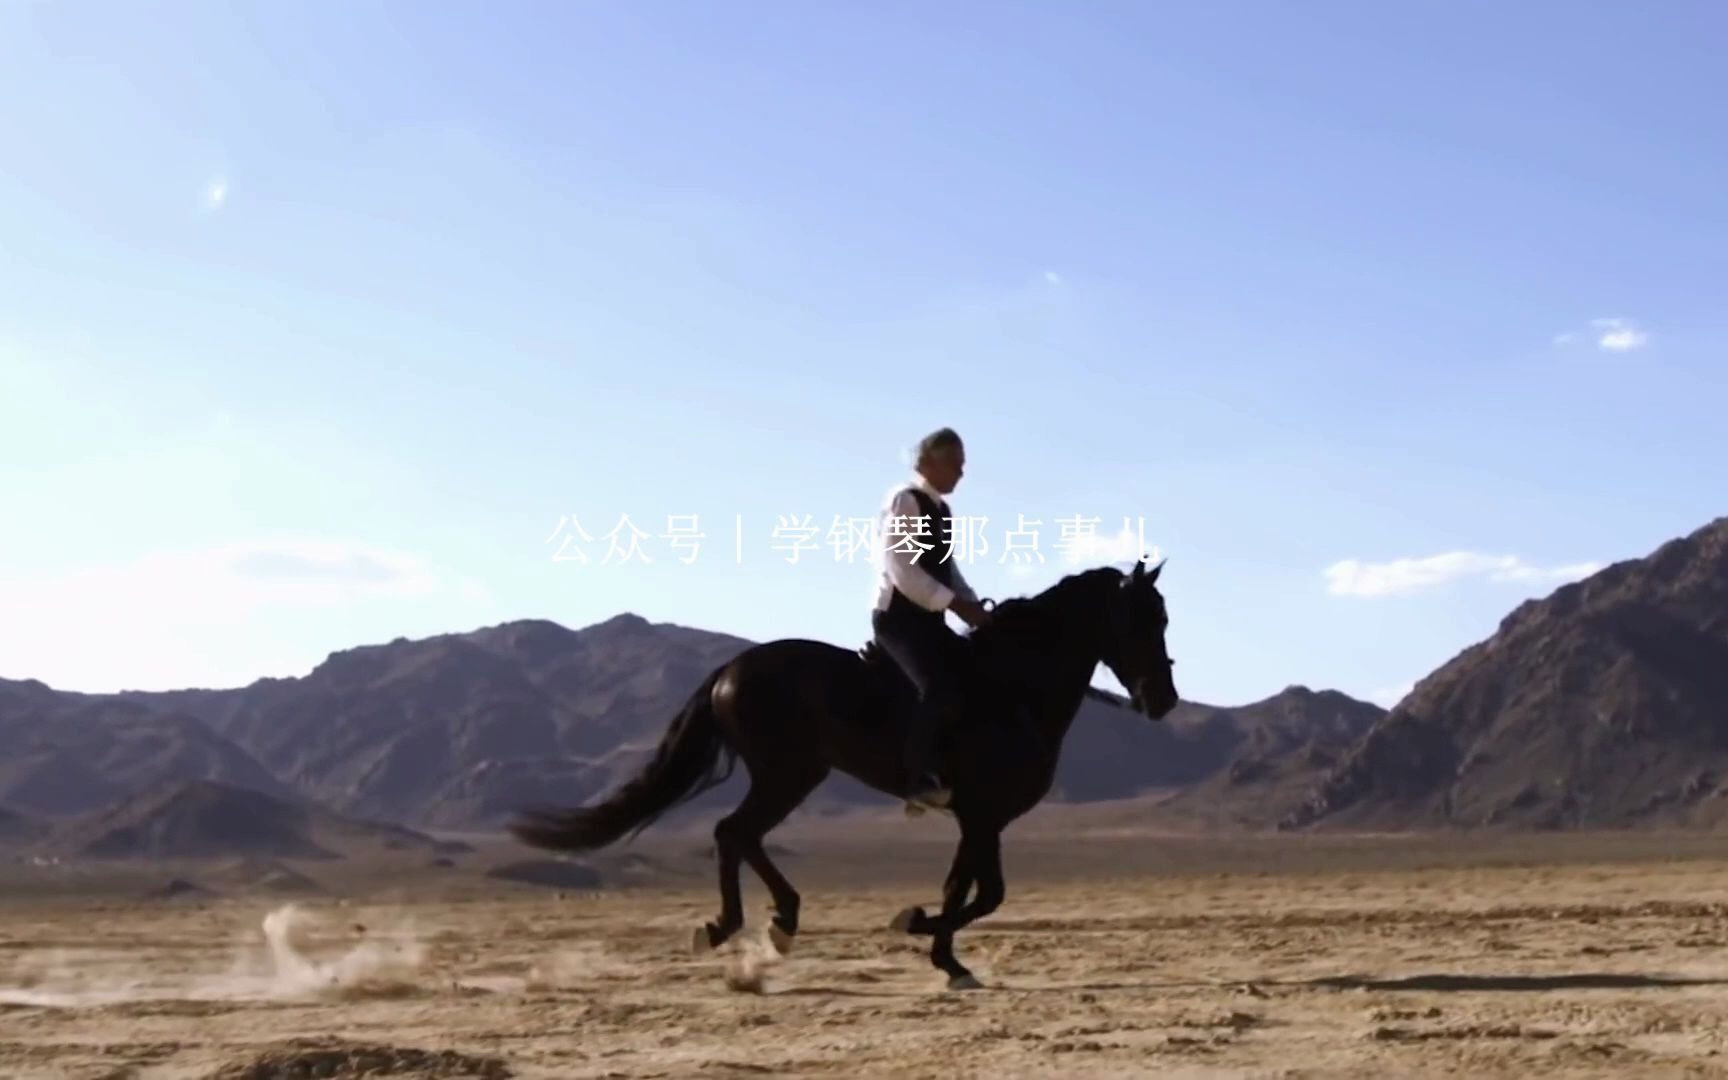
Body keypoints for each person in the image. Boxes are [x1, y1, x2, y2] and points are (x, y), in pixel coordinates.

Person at [871, 427, 992, 811]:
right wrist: (955, 605)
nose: (960, 472)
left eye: (962, 465)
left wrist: (974, 607)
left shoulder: (941, 510)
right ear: (926, 463)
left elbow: (945, 568)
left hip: (929, 621)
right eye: (953, 463)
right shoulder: (906, 501)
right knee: (937, 688)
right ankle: (916, 780)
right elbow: (903, 569)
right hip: (899, 621)